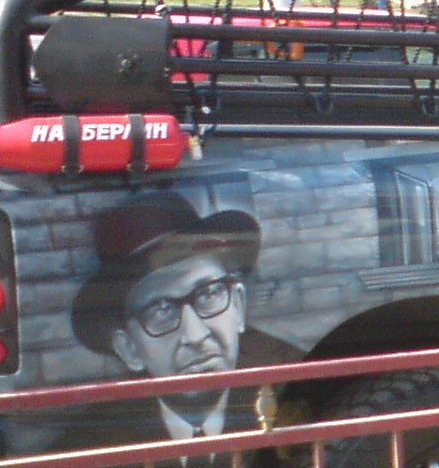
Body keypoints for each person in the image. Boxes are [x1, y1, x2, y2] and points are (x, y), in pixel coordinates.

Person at [70, 191, 296, 447]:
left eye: (209, 294)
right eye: (161, 310)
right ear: (129, 348)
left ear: (238, 304)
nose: (196, 335)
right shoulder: (92, 446)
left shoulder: (300, 391)